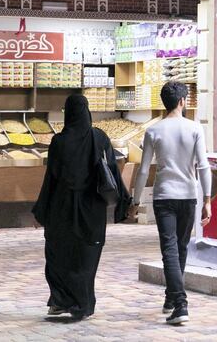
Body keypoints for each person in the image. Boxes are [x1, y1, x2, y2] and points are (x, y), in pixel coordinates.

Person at [32, 94, 131, 320]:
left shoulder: (59, 142)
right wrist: (123, 203)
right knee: (86, 258)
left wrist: (41, 211)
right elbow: (112, 173)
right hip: (92, 211)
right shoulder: (99, 138)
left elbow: (51, 180)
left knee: (58, 257)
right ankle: (82, 304)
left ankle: (60, 300)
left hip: (61, 210)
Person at [129, 82, 212, 326]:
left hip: (164, 196)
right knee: (181, 247)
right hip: (188, 196)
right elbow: (203, 166)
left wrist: (135, 201)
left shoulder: (154, 131)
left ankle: (178, 301)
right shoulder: (195, 128)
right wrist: (207, 199)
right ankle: (174, 298)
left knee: (170, 248)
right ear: (182, 101)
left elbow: (144, 171)